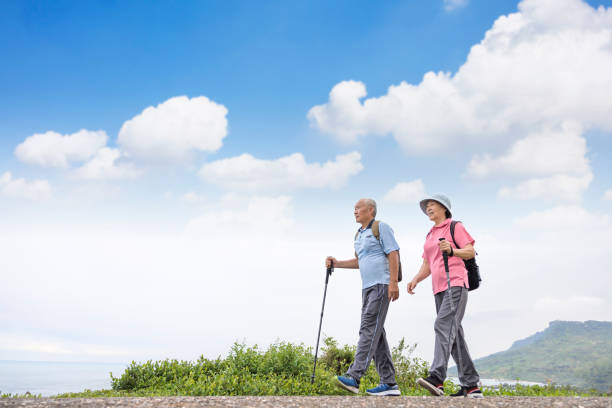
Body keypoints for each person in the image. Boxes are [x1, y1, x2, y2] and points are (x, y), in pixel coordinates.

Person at [408, 194, 483, 399]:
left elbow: (470, 251)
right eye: (426, 206)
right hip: (438, 288)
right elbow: (427, 264)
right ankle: (471, 385)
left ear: (444, 208)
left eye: (432, 204)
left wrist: (452, 251)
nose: (428, 208)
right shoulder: (430, 234)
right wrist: (416, 279)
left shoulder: (455, 226)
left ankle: (437, 378)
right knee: (454, 335)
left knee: (442, 325)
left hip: (456, 284)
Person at [325, 198, 401, 396]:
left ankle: (354, 377)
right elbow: (360, 262)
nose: (355, 211)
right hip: (367, 288)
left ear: (371, 210)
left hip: (381, 285)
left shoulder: (381, 227)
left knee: (368, 328)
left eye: (358, 208)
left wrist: (393, 283)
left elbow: (393, 254)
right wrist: (337, 263)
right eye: (354, 209)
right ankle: (390, 383)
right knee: (377, 333)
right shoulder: (358, 235)